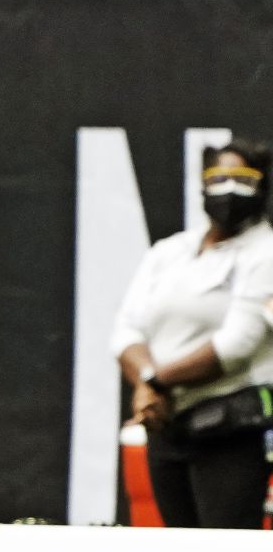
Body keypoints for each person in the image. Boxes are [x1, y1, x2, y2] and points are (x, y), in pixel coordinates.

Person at [113, 138, 273, 528]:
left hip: (230, 430)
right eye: (218, 178)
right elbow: (125, 330)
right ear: (202, 185)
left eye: (242, 179)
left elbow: (236, 345)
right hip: (166, 427)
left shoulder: (265, 253)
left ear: (263, 187)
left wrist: (154, 383)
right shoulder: (170, 252)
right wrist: (150, 390)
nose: (228, 190)